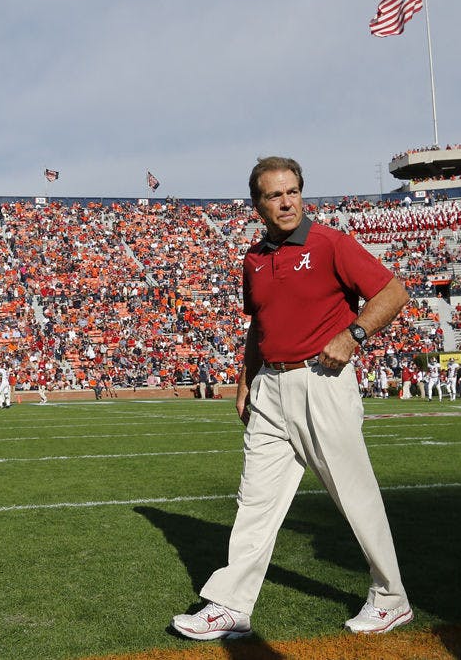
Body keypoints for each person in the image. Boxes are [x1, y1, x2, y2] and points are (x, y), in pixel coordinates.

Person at [172, 157, 413, 641]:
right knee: (255, 500)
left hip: (321, 380)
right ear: (257, 203)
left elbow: (393, 290)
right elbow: (259, 325)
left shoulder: (329, 243)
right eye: (274, 195)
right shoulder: (254, 258)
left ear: (301, 193)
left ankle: (391, 598)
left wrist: (354, 335)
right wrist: (245, 382)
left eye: (292, 192)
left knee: (353, 494)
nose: (285, 202)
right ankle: (231, 604)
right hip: (269, 388)